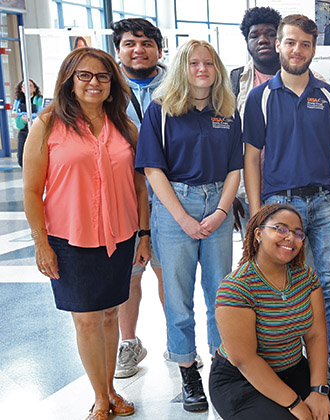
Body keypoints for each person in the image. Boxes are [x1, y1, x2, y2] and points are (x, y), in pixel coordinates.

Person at [23, 47, 149, 420]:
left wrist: (144, 234)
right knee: (86, 319)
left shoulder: (126, 127)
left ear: (112, 84)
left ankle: (111, 389)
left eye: (103, 76)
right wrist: (40, 243)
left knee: (110, 314)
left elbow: (140, 186)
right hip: (68, 239)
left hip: (120, 235)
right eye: (85, 75)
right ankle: (100, 397)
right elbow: (32, 190)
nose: (94, 82)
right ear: (69, 80)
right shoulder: (47, 124)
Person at [243, 14, 330, 378]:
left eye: (305, 44)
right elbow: (250, 158)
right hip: (280, 206)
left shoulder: (328, 95)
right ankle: (294, 357)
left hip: (325, 203)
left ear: (314, 48)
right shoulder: (260, 98)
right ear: (278, 44)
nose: (297, 50)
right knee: (289, 283)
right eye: (290, 42)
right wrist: (258, 212)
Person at [134, 39, 242, 413]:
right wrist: (182, 217)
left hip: (218, 205)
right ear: (183, 67)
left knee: (221, 293)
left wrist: (221, 212)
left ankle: (222, 367)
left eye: (209, 63)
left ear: (218, 70)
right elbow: (152, 168)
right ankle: (188, 371)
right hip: (173, 205)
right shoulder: (161, 111)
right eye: (194, 63)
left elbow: (235, 168)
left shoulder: (227, 111)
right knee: (178, 298)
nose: (202, 69)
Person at [209, 204, 330, 420]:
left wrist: (318, 391)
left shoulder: (306, 277)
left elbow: (316, 336)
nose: (290, 238)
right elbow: (245, 360)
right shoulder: (236, 288)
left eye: (297, 233)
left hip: (292, 369)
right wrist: (295, 404)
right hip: (241, 379)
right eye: (280, 228)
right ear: (258, 233)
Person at [112, 17, 167, 379]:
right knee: (129, 276)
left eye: (146, 43)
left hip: (168, 198)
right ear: (118, 50)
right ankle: (128, 344)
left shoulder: (177, 84)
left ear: (159, 50)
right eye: (130, 43)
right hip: (125, 200)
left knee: (169, 274)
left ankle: (177, 340)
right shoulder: (106, 88)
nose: (139, 49)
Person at [14, 79, 44, 167]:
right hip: (24, 131)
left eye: (30, 86)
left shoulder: (39, 100)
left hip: (36, 131)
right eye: (24, 86)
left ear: (34, 88)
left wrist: (30, 117)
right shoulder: (18, 102)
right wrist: (23, 120)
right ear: (21, 89)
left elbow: (41, 114)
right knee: (21, 158)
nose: (26, 88)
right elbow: (18, 123)